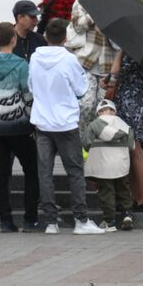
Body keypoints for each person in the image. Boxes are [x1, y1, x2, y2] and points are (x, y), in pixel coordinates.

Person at [29, 18, 106, 235]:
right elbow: (81, 89)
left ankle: (51, 222)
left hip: (42, 122)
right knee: (75, 172)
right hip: (65, 123)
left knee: (45, 173)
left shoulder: (35, 57)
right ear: (65, 38)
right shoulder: (70, 60)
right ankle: (81, 220)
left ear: (45, 36)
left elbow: (31, 86)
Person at [0, 22, 39, 232]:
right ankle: (30, 219)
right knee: (32, 169)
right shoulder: (22, 65)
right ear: (13, 39)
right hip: (18, 125)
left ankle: (5, 219)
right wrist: (32, 119)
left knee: (0, 172)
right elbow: (27, 94)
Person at [83, 99, 135, 231]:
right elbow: (131, 146)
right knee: (123, 189)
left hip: (103, 165)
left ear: (99, 113)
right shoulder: (123, 124)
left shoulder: (94, 125)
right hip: (121, 164)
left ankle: (109, 221)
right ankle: (127, 215)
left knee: (106, 192)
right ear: (114, 111)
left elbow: (86, 143)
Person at [114, 58, 143, 212]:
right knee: (131, 150)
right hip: (132, 100)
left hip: (134, 102)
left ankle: (142, 198)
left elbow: (115, 70)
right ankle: (135, 197)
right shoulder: (139, 50)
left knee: (134, 149)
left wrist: (119, 53)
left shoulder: (136, 52)